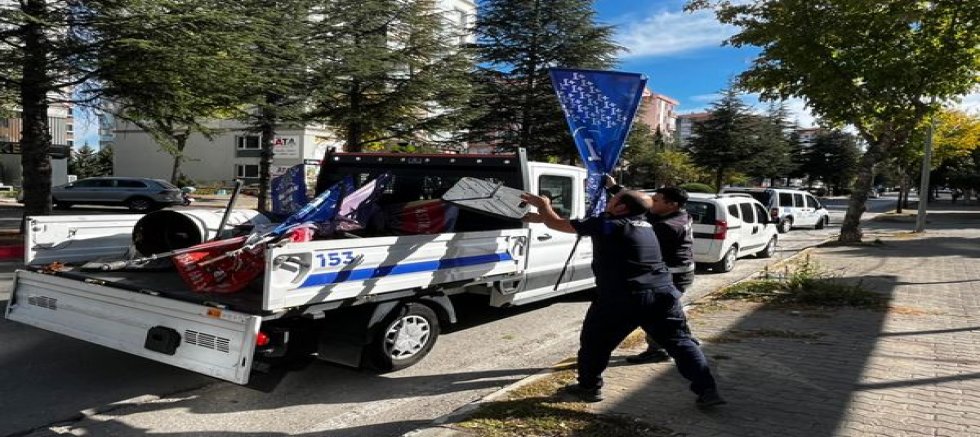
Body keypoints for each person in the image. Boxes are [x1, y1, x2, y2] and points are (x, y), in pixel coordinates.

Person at [521, 189, 725, 407]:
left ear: (621, 208)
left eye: (613, 200)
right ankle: (708, 391)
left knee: (595, 344)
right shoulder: (644, 222)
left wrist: (544, 206)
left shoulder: (609, 224)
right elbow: (566, 222)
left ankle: (588, 388)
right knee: (681, 343)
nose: (609, 202)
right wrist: (545, 217)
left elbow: (558, 224)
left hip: (621, 298)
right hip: (662, 294)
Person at [605, 179, 696, 364]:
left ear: (672, 205)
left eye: (656, 200)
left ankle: (662, 349)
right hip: (677, 272)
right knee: (667, 310)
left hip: (673, 275)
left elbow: (639, 215)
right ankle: (683, 337)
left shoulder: (667, 226)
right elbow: (641, 203)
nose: (651, 202)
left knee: (655, 312)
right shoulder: (679, 215)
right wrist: (615, 188)